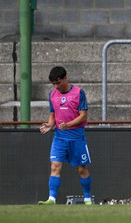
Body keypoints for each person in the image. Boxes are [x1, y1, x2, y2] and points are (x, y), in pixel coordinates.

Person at [38, 66, 92, 205]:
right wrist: (50, 125)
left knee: (82, 169)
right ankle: (51, 199)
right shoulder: (52, 94)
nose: (56, 86)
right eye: (53, 84)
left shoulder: (79, 93)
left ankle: (87, 199)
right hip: (59, 137)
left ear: (65, 78)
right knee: (55, 166)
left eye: (58, 83)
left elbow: (83, 115)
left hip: (76, 137)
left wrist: (68, 124)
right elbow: (52, 114)